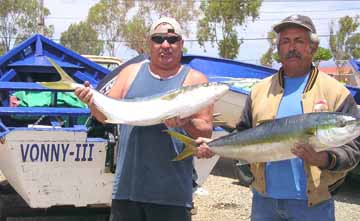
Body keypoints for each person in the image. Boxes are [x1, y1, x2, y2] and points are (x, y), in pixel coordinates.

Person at [197, 14, 360, 221]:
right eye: (285, 41)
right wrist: (213, 145)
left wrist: (323, 159)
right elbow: (242, 134)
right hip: (264, 202)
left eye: (299, 41)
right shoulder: (259, 91)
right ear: (278, 49)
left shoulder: (336, 92)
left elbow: (354, 149)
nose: (292, 47)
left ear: (313, 47)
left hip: (313, 205)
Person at [75, 17, 213, 221]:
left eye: (172, 39)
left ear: (181, 44)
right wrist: (91, 101)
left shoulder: (196, 81)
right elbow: (104, 116)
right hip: (127, 190)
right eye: (158, 39)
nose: (165, 45)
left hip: (172, 193)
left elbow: (206, 130)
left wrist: (187, 122)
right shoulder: (130, 73)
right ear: (150, 43)